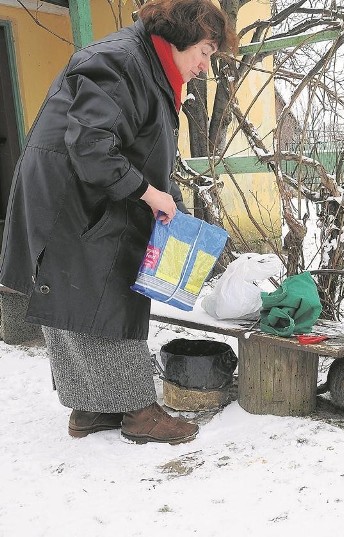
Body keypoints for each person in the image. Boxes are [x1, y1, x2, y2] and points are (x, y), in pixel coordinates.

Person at [0, 0, 238, 444]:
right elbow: (91, 145)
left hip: (81, 192)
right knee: (100, 291)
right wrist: (148, 193)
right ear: (183, 35)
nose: (206, 67)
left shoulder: (145, 63)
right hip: (70, 196)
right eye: (206, 51)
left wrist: (160, 194)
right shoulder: (122, 60)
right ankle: (138, 413)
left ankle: (89, 410)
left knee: (82, 290)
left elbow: (134, 141)